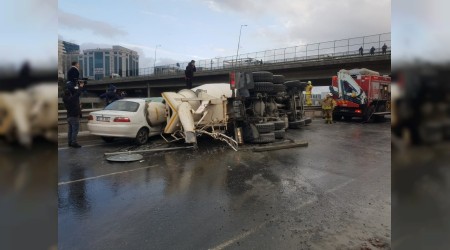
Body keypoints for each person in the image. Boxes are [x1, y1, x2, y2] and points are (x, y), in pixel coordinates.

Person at [63, 81, 85, 148]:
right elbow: (78, 93)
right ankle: (74, 143)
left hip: (69, 116)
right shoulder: (72, 99)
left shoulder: (65, 98)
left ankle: (70, 142)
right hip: (74, 116)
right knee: (75, 131)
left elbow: (76, 93)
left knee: (70, 131)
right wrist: (80, 86)